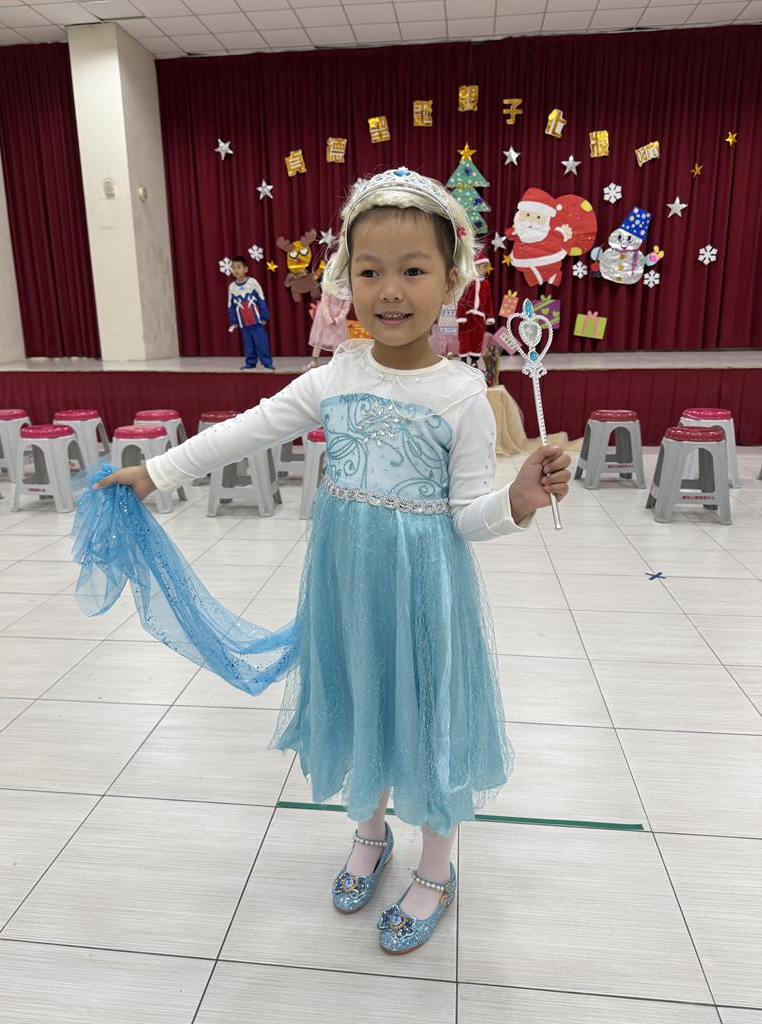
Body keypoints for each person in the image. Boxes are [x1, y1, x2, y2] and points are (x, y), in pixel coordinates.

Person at [90, 167, 570, 955]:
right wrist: (157, 471)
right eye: (370, 271)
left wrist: (515, 500)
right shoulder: (336, 376)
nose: (391, 291)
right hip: (345, 580)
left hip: (424, 589)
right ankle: (370, 832)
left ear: (451, 280)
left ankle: (437, 865)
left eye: (413, 270)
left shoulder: (462, 396)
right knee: (356, 697)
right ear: (347, 279)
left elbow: (467, 517)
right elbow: (248, 428)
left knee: (428, 712)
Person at [227, 256, 274, 370]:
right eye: (233, 268)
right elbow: (230, 305)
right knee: (248, 344)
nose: (236, 270)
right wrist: (233, 321)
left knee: (261, 343)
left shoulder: (253, 282)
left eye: (239, 267)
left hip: (256, 321)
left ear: (245, 269)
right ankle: (250, 362)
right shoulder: (232, 287)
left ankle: (267, 363)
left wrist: (264, 316)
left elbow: (261, 299)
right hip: (244, 322)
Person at [304, 278, 351, 371]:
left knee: (337, 340)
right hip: (324, 316)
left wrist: (338, 319)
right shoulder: (329, 286)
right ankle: (314, 361)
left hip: (338, 318)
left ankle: (336, 361)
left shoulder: (347, 290)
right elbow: (324, 303)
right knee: (319, 337)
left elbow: (346, 307)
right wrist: (328, 319)